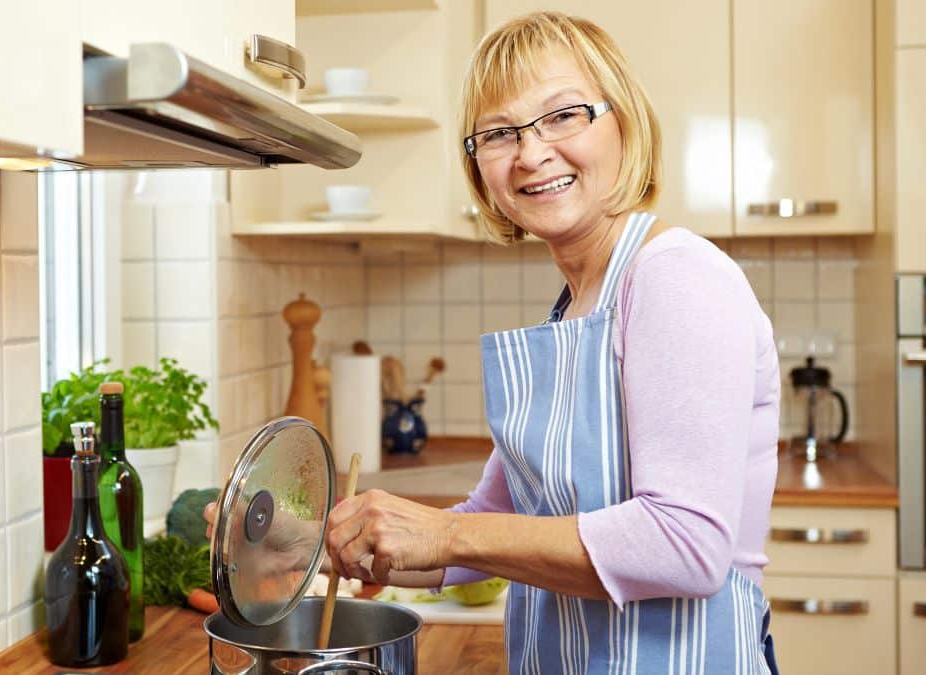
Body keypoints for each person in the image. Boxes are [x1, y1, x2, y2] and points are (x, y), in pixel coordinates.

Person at [321, 11, 782, 674]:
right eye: (500, 133)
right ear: (479, 167)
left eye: (564, 115)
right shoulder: (573, 310)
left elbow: (687, 542)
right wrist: (310, 540)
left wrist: (444, 531)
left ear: (623, 120)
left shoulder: (678, 276)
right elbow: (492, 520)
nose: (532, 153)